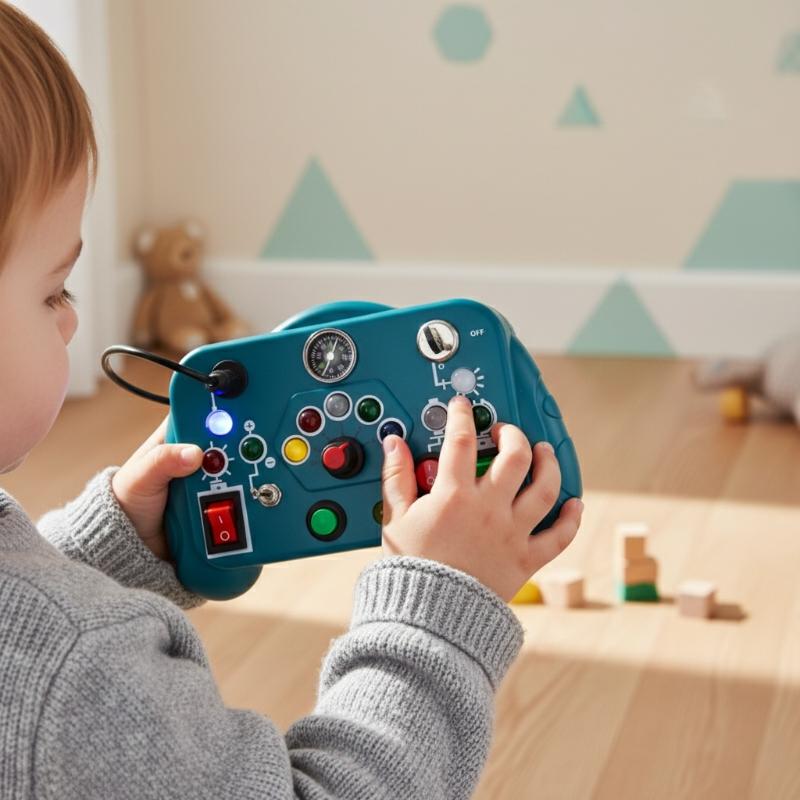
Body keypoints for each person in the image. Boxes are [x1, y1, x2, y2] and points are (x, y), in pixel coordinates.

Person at [0, 3, 584, 797]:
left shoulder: (53, 662)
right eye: (53, 291)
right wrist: (439, 606)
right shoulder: (77, 672)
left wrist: (108, 556)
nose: (70, 318)